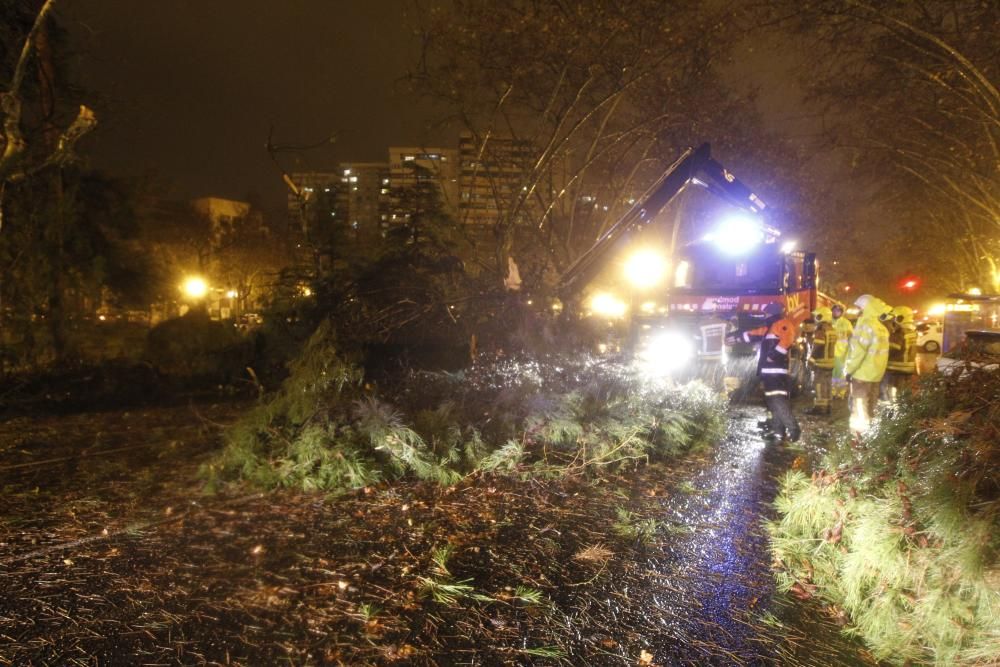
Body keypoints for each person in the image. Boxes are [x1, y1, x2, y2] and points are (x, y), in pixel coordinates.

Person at [733, 301, 807, 442]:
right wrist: (736, 337)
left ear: (772, 312)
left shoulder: (782, 324)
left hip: (775, 370)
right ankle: (778, 431)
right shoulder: (770, 327)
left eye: (766, 312)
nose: (764, 314)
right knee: (772, 401)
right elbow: (754, 334)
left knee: (777, 400)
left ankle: (794, 429)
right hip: (769, 370)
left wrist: (773, 356)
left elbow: (788, 339)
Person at [844, 294, 890, 435]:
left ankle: (861, 436)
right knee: (871, 405)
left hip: (862, 374)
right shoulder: (881, 328)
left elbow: (858, 352)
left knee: (859, 406)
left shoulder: (865, 326)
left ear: (865, 309)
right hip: (876, 374)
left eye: (859, 308)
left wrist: (848, 370)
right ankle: (873, 433)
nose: (857, 311)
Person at [806, 306, 837, 415]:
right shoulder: (831, 329)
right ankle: (828, 406)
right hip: (830, 362)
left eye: (817, 316)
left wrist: (812, 359)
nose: (815, 318)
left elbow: (818, 346)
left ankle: (820, 408)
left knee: (819, 384)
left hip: (821, 362)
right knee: (827, 384)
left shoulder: (821, 329)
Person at [884, 305, 917, 401]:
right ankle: (904, 408)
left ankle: (895, 409)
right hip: (908, 367)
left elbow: (892, 348)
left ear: (900, 318)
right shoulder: (913, 331)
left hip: (896, 368)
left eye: (894, 317)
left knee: (893, 393)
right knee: (904, 391)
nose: (893, 320)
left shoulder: (900, 332)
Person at [830, 303, 853, 400]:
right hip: (830, 353)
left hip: (842, 353)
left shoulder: (846, 323)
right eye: (834, 310)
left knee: (840, 374)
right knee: (831, 374)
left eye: (838, 311)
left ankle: (841, 393)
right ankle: (832, 392)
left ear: (842, 312)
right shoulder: (828, 321)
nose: (836, 312)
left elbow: (851, 337)